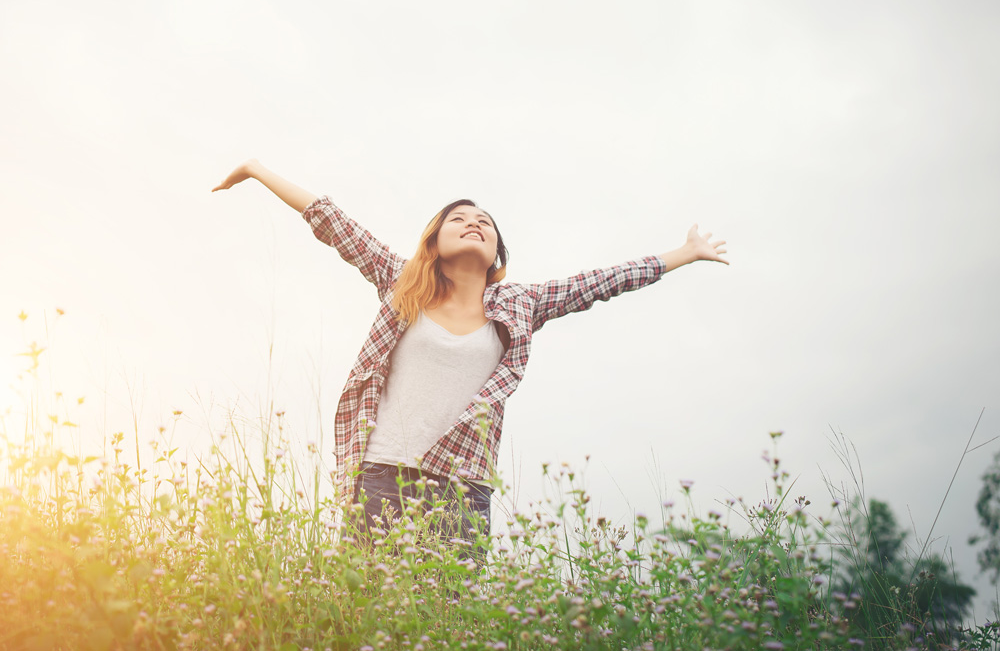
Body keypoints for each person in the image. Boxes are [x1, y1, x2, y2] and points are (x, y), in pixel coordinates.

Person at [213, 159, 728, 561]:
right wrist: (257, 170)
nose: (473, 223)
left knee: (446, 621)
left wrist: (684, 253)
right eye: (458, 219)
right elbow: (332, 222)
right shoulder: (402, 285)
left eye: (484, 222)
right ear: (434, 242)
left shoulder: (521, 305)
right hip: (382, 476)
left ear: (497, 253)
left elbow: (602, 282)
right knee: (370, 614)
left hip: (464, 490)